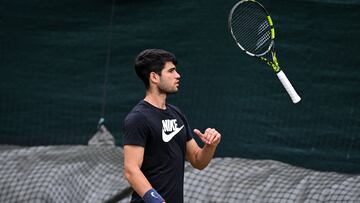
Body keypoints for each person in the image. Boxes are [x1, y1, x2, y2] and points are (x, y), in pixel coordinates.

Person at [123, 48, 221, 203]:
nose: (178, 75)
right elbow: (131, 170)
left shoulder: (177, 114)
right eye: (171, 71)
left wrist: (210, 145)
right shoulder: (138, 118)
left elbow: (198, 160)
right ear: (154, 77)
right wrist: (156, 201)